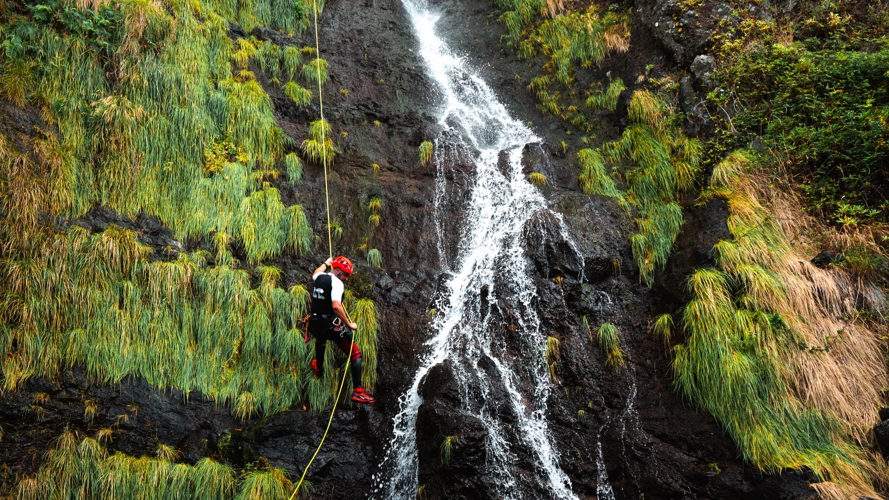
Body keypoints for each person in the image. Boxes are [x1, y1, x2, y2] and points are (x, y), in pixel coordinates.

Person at [309, 256, 376, 404]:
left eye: (348, 275)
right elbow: (336, 306)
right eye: (345, 274)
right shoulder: (337, 283)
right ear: (337, 270)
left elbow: (316, 272)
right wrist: (349, 324)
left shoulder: (320, 277)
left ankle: (318, 367)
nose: (346, 278)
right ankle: (358, 392)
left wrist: (326, 263)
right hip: (329, 323)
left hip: (315, 322)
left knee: (320, 340)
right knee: (355, 353)